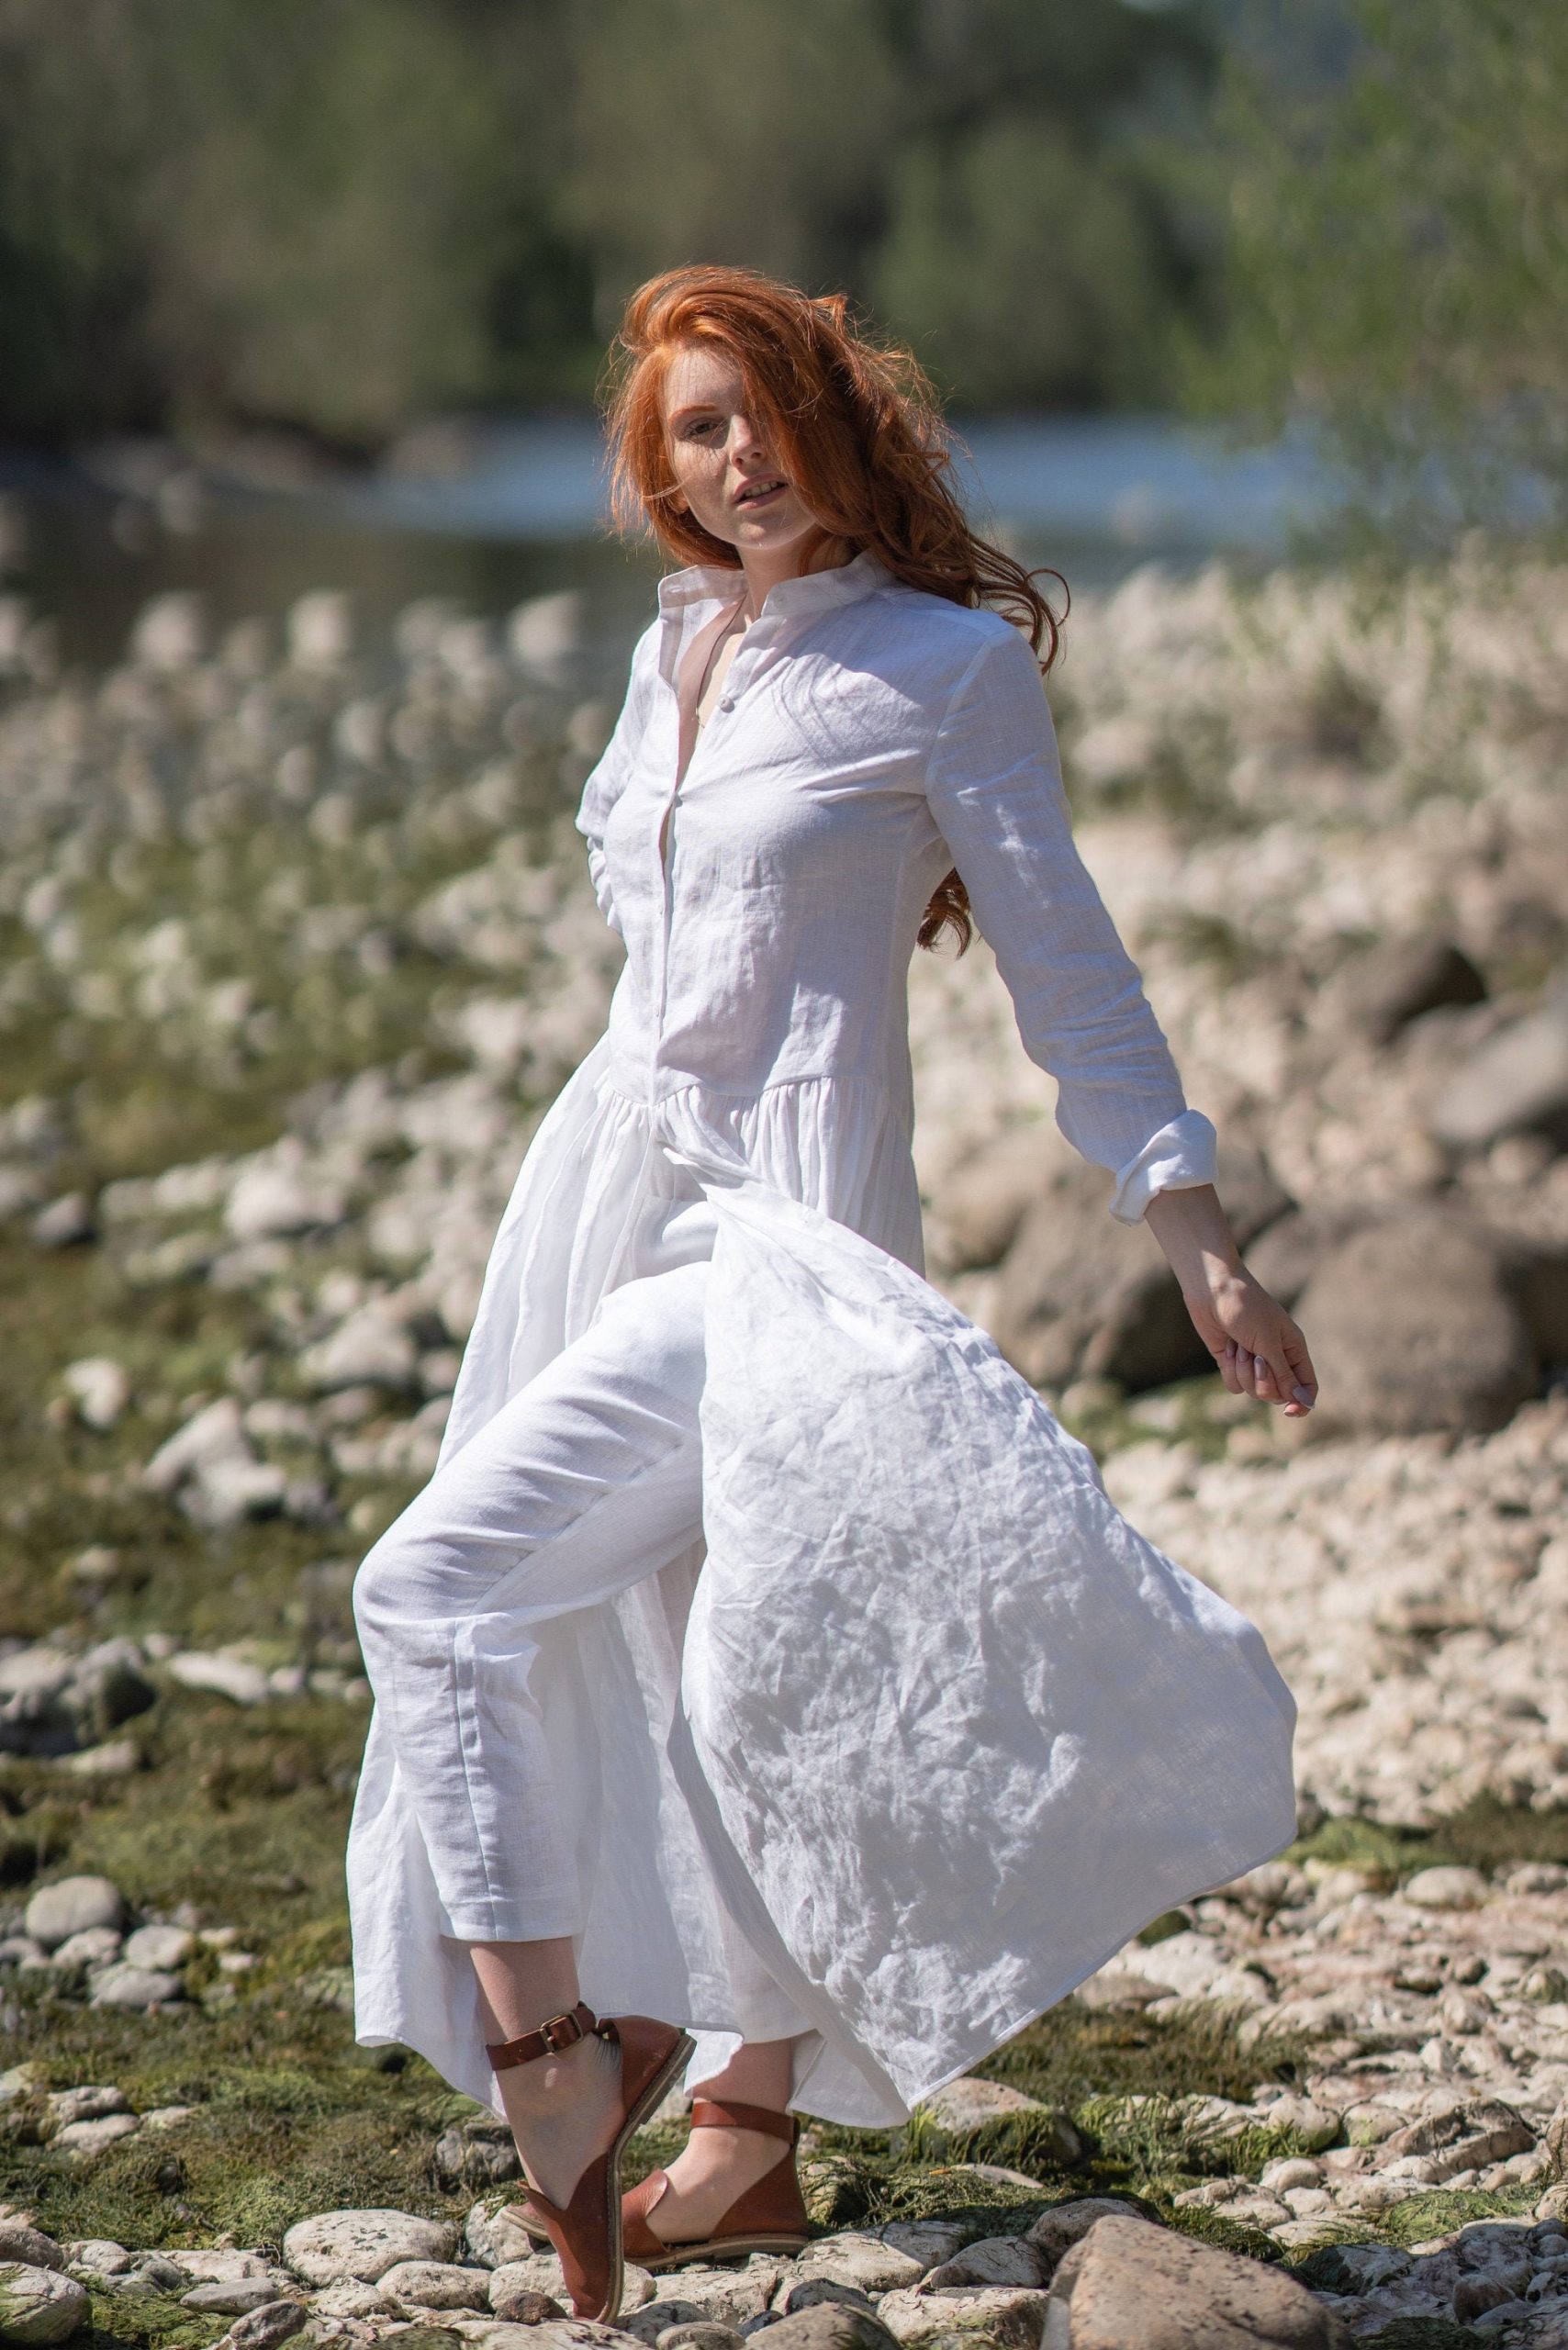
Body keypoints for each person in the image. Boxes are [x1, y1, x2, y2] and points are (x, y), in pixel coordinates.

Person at [347, 264, 1312, 2322]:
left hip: (777, 1251)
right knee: (713, 1670)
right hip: (610, 1207)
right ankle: (746, 2132)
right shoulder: (671, 649)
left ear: (840, 423)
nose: (739, 456)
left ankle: (556, 2063)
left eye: (766, 412)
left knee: (433, 1587)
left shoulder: (942, 668)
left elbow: (1067, 964)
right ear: (659, 469)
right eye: (696, 429)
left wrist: (1193, 1227)